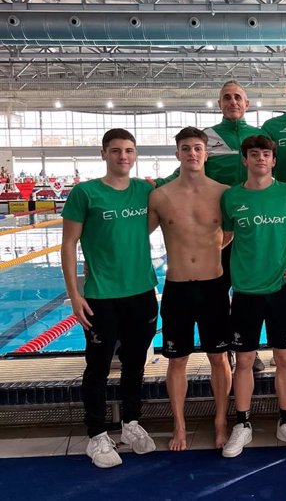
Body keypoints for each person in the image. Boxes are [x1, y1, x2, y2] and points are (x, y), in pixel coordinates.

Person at [220, 135, 286, 458]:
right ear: (245, 159)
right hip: (246, 292)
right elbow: (221, 240)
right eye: (254, 154)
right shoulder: (232, 197)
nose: (261, 159)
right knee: (245, 362)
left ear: (274, 161)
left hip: (280, 290)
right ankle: (243, 423)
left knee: (284, 360)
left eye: (266, 154)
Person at [154, 80, 268, 372]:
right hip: (216, 229)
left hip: (250, 229)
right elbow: (183, 172)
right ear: (219, 104)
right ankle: (225, 351)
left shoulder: (258, 135)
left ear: (246, 103)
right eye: (227, 98)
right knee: (220, 288)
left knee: (246, 293)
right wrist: (156, 184)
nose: (232, 102)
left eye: (238, 98)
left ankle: (246, 348)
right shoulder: (208, 137)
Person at [61, 129, 158, 468]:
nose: (123, 157)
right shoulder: (85, 193)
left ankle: (130, 423)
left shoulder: (147, 191)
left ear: (135, 155)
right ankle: (96, 435)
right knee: (98, 367)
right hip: (101, 296)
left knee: (135, 364)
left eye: (129, 151)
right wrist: (75, 295)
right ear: (103, 153)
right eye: (116, 151)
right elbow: (68, 245)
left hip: (142, 293)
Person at [148, 127, 232, 452]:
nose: (192, 154)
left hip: (213, 286)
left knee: (219, 357)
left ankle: (221, 421)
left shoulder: (224, 193)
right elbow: (134, 234)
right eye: (186, 148)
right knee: (177, 361)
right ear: (177, 154)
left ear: (206, 153)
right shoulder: (161, 195)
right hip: (177, 287)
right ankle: (179, 426)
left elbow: (234, 230)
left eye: (198, 148)